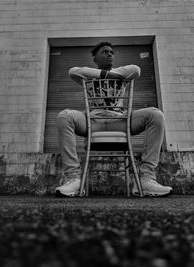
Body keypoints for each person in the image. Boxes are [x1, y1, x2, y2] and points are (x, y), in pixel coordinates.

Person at [55, 41, 172, 197]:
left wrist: (112, 74)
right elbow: (73, 71)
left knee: (156, 114)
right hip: (92, 122)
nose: (109, 54)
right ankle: (74, 179)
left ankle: (146, 179)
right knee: (64, 116)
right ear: (95, 58)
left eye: (111, 52)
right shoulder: (87, 74)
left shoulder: (122, 72)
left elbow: (136, 70)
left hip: (120, 121)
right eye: (104, 52)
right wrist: (105, 75)